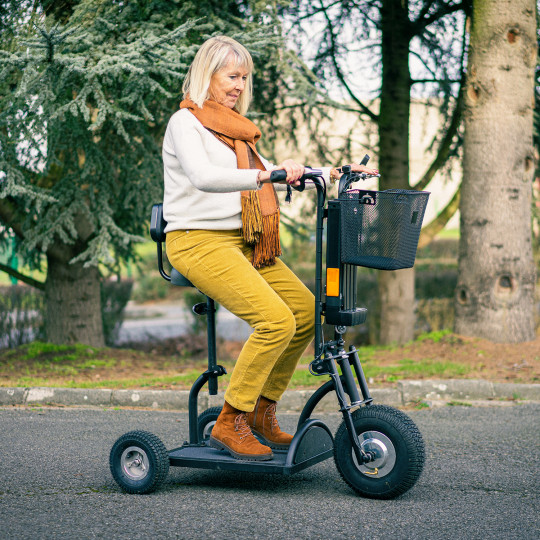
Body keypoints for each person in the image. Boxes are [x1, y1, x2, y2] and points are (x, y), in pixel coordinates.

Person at [163, 36, 378, 461]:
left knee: (303, 311)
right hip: (196, 240)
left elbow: (273, 171)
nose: (240, 85)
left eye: (245, 77)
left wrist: (334, 171)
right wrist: (267, 177)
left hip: (242, 242)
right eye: (232, 76)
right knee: (274, 320)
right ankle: (230, 421)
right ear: (208, 73)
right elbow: (205, 176)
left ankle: (261, 413)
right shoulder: (185, 123)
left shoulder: (236, 133)